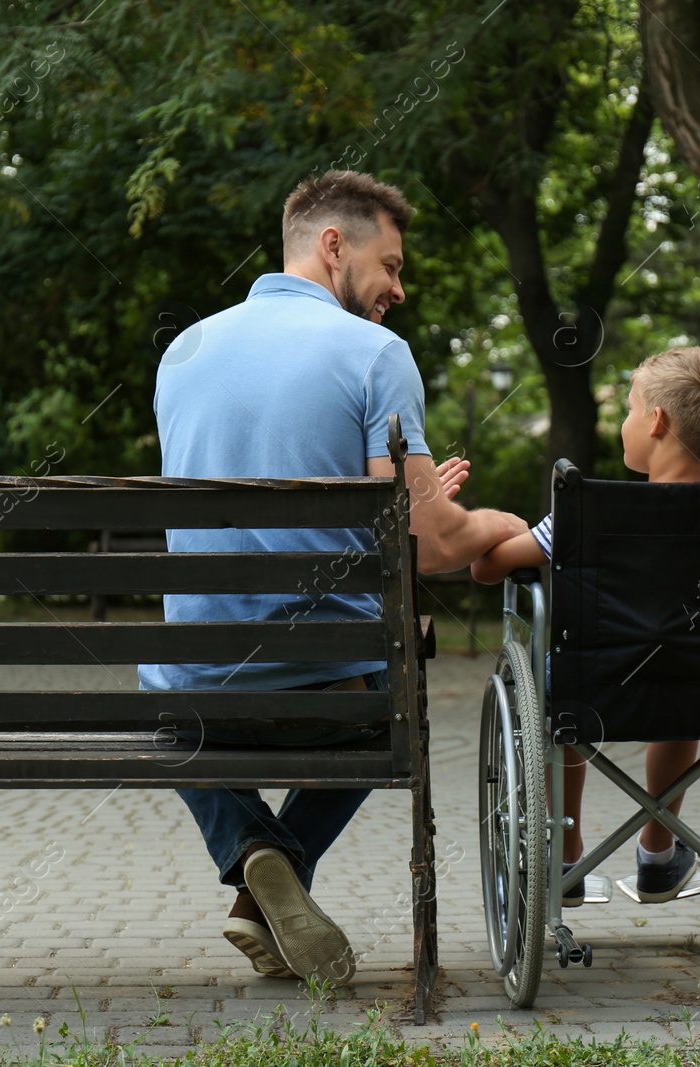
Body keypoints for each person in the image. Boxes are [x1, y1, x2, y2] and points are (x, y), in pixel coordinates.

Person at [140, 170, 527, 985]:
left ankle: (253, 856)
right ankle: (274, 866)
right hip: (334, 701)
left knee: (161, 689)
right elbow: (430, 548)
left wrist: (404, 507)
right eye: (389, 265)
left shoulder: (185, 350)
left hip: (202, 700)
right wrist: (499, 524)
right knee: (403, 697)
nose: (399, 287)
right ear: (331, 245)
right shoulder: (377, 354)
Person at [469, 347, 700, 904]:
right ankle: (658, 851)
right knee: (681, 674)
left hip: (597, 686)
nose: (624, 422)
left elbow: (486, 568)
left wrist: (492, 527)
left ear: (658, 421)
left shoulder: (586, 515)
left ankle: (565, 854)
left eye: (629, 409)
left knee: (563, 687)